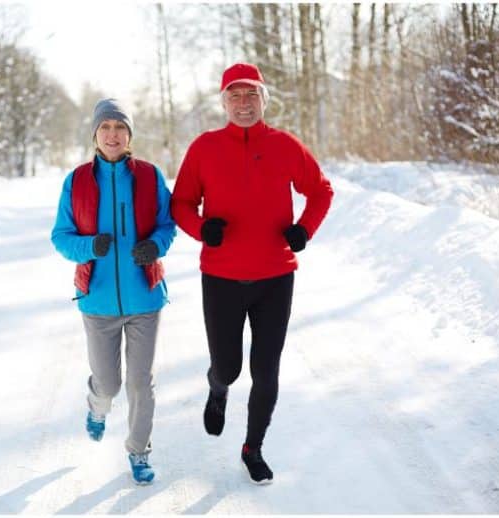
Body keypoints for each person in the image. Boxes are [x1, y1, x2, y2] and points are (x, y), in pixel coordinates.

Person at [170, 63, 334, 484]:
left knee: (266, 369)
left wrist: (304, 229)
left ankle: (253, 447)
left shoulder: (284, 144)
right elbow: (182, 204)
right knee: (228, 366)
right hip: (221, 277)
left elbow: (320, 190)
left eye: (251, 96)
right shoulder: (205, 147)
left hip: (275, 276)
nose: (243, 104)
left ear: (264, 99)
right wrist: (201, 228)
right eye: (235, 97)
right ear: (224, 102)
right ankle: (218, 387)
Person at [51, 98, 176, 485]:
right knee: (109, 382)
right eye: (105, 127)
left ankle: (139, 450)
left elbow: (167, 225)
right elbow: (61, 237)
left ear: (129, 135)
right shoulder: (76, 181)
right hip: (98, 302)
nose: (112, 134)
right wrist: (90, 247)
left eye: (120, 127)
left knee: (140, 381)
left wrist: (154, 246)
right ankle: (97, 405)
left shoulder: (150, 177)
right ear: (94, 135)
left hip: (144, 299)